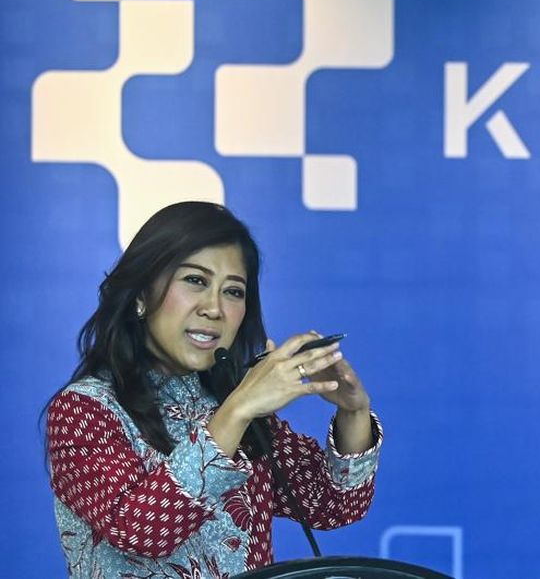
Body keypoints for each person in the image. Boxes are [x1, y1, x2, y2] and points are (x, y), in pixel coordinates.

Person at [44, 201, 382, 578]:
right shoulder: (83, 410)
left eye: (233, 291)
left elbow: (334, 504)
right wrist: (237, 411)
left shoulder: (233, 403)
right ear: (141, 295)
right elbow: (140, 531)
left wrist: (353, 412)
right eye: (196, 281)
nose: (215, 308)